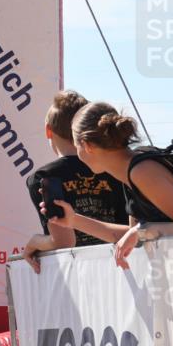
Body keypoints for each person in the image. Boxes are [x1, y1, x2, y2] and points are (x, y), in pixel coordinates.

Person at [47, 102, 173, 269]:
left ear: (87, 145)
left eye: (76, 144)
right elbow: (129, 235)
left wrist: (140, 231)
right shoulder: (129, 171)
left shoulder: (142, 172)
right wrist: (73, 220)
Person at [22, 91, 129, 274]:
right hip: (122, 268)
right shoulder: (113, 167)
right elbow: (132, 230)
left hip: (78, 274)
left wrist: (34, 242)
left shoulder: (45, 176)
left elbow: (63, 242)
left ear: (49, 130)